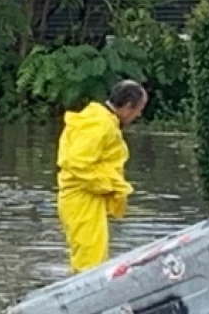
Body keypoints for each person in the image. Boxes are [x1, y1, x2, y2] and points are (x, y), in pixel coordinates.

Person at [56, 80, 147, 273]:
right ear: (128, 107)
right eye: (139, 109)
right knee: (90, 263)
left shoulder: (98, 120)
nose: (139, 115)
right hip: (82, 199)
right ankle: (83, 301)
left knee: (90, 257)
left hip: (85, 199)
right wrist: (110, 186)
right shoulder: (100, 124)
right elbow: (77, 163)